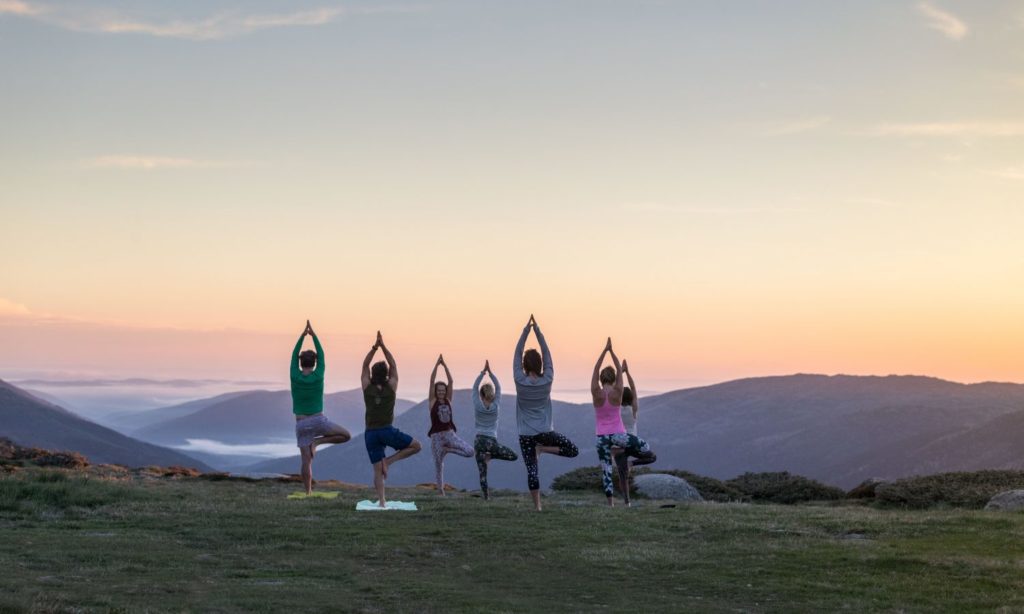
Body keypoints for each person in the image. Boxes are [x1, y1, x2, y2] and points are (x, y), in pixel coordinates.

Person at [513, 314, 578, 511]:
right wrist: (538, 332)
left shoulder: (519, 380)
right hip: (544, 432)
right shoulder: (547, 379)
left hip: (525, 434)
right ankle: (543, 449)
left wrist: (526, 330)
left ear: (524, 365)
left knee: (532, 471)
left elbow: (516, 354)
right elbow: (547, 353)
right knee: (572, 450)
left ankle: (538, 506)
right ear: (540, 364)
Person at [592, 338, 655, 506]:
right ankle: (625, 496)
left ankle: (611, 503)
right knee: (646, 448)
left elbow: (595, 369)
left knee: (606, 470)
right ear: (614, 379)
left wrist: (604, 351)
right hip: (620, 437)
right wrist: (612, 352)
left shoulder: (595, 392)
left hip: (600, 437)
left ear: (600, 379)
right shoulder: (618, 392)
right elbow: (621, 373)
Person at [362, 331, 421, 507]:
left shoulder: (367, 387)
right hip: (387, 430)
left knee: (377, 471)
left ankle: (381, 502)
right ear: (387, 374)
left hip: (370, 433)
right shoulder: (391, 386)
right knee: (416, 446)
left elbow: (364, 365)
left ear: (372, 374)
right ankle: (389, 461)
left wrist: (375, 347)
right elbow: (393, 364)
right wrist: (384, 346)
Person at [291, 320, 351, 495]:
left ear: (301, 363)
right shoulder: (318, 375)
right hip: (318, 421)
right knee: (346, 435)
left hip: (301, 423)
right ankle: (318, 442)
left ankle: (308, 491)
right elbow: (322, 355)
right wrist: (314, 335)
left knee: (306, 462)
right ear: (315, 362)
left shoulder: (294, 375)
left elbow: (293, 355)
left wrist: (303, 336)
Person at [426, 354, 474, 495]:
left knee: (470, 452)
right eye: (439, 390)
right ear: (436, 391)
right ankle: (441, 492)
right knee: (438, 466)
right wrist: (436, 365)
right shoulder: (432, 402)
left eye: (443, 390)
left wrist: (445, 365)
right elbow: (431, 381)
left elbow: (451, 382)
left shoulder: (448, 399)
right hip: (436, 437)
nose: (441, 392)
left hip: (450, 434)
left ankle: (448, 450)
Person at [472, 359, 518, 500]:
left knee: (482, 472)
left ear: (481, 395)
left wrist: (482, 373)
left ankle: (486, 496)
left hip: (479, 441)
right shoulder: (496, 405)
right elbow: (499, 388)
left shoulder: (477, 405)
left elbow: (474, 388)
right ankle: (490, 456)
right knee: (513, 456)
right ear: (491, 394)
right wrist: (491, 374)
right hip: (491, 442)